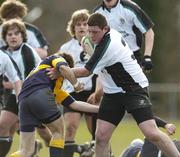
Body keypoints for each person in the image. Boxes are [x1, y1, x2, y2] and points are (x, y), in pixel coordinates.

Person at [70, 13, 180, 157]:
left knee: (151, 133)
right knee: (101, 136)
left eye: (95, 32)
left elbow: (84, 72)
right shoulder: (108, 35)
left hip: (133, 89)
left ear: (105, 29)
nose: (91, 35)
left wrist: (59, 69)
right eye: (89, 31)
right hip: (112, 93)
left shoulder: (108, 46)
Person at [9, 52, 99, 157]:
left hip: (23, 101)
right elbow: (63, 68)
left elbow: (74, 104)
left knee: (26, 151)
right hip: (40, 93)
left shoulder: (49, 83)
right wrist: (76, 84)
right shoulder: (57, 58)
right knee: (58, 132)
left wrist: (99, 109)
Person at [0, 19, 41, 157]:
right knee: (7, 128)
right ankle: (33, 147)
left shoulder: (27, 53)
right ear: (5, 37)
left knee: (4, 124)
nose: (13, 36)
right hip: (11, 94)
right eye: (9, 34)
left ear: (23, 36)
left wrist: (8, 84)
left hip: (29, 94)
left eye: (16, 33)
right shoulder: (3, 52)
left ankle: (32, 147)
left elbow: (27, 82)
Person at [59, 9, 97, 157]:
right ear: (72, 27)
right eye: (78, 24)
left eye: (85, 24)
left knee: (97, 132)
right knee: (69, 128)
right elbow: (60, 71)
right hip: (73, 93)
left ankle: (105, 153)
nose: (81, 27)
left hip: (92, 93)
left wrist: (98, 91)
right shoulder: (65, 48)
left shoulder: (96, 45)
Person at [94, 0, 154, 72]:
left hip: (131, 57)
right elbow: (92, 37)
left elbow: (148, 31)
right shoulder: (97, 13)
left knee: (133, 83)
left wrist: (147, 56)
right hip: (108, 58)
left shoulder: (131, 8)